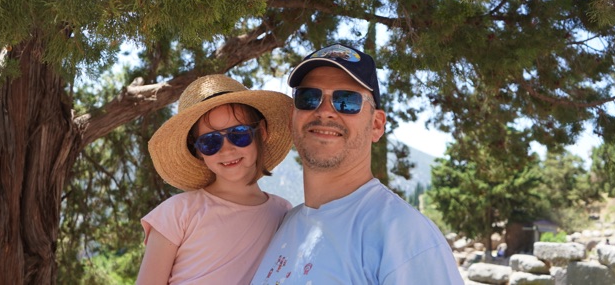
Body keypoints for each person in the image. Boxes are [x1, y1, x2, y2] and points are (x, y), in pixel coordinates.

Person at [251, 44, 463, 284]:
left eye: (346, 100)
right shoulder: (285, 225)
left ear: (376, 125)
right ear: (293, 118)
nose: (324, 111)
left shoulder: (406, 237)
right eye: (308, 97)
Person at [138, 74, 294, 285]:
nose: (227, 149)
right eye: (210, 141)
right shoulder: (176, 213)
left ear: (262, 132)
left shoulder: (282, 213)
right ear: (197, 150)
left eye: (239, 133)